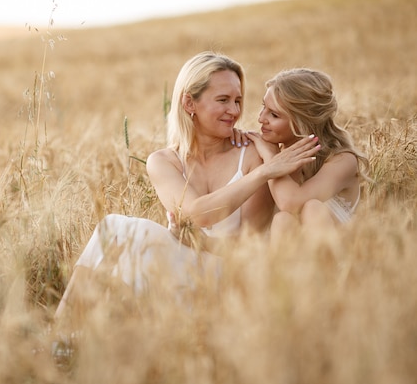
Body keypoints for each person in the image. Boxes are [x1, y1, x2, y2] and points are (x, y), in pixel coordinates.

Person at [52, 52, 320, 342]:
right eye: (223, 100)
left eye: (238, 100)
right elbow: (196, 214)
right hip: (179, 269)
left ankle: (88, 338)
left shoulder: (254, 154)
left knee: (128, 233)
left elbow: (247, 247)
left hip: (228, 278)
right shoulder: (163, 162)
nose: (234, 110)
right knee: (113, 227)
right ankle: (60, 338)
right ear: (189, 103)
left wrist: (261, 170)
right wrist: (263, 174)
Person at [246, 68, 369, 241]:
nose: (260, 118)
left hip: (336, 259)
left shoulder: (342, 160)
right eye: (263, 107)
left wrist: (271, 156)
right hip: (288, 259)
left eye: (273, 114)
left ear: (302, 122)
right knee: (282, 220)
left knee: (312, 208)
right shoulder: (262, 152)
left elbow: (291, 203)